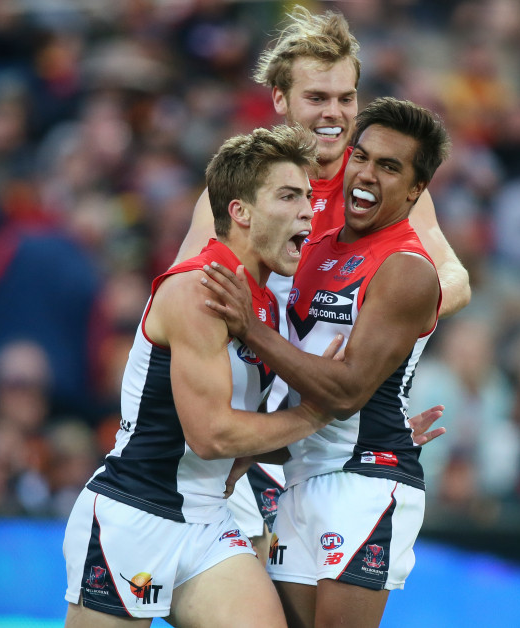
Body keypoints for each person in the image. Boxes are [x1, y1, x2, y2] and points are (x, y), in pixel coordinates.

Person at [173, 6, 454, 560]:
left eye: (346, 98)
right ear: (280, 100)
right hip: (240, 439)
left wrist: (375, 406)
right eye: (316, 98)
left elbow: (452, 280)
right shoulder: (244, 191)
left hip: (311, 439)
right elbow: (190, 303)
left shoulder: (379, 181)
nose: (334, 114)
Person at [62, 124, 338, 627]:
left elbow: (253, 442)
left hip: (208, 517)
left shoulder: (261, 305)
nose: (308, 211)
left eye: (310, 198)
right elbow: (212, 436)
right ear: (240, 212)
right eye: (289, 196)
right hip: (136, 513)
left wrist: (367, 428)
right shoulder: (200, 290)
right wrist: (318, 412)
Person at [202, 96, 450, 628]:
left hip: (364, 478)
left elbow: (344, 395)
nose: (365, 173)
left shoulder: (407, 269)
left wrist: (250, 328)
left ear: (415, 189)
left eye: (389, 167)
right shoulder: (313, 245)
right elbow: (292, 373)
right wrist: (246, 455)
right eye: (361, 157)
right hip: (299, 474)